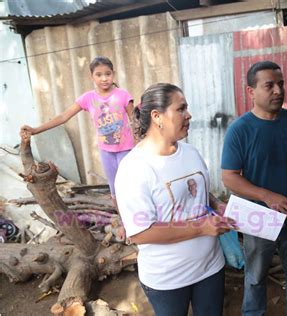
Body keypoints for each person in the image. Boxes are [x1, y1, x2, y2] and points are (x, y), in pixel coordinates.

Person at [115, 83, 235, 316]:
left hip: (210, 266)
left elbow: (198, 193)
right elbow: (140, 232)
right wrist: (200, 228)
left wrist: (218, 205)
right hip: (168, 278)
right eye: (181, 109)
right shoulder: (135, 168)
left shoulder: (190, 152)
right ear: (157, 116)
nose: (188, 115)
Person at [221, 61, 287, 316]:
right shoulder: (239, 130)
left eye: (281, 84)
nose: (278, 90)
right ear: (251, 91)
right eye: (269, 85)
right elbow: (230, 178)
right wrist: (267, 196)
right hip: (258, 217)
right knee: (255, 275)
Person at [20, 56, 134, 239]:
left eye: (108, 74)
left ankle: (139, 223)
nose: (104, 78)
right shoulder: (88, 98)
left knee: (130, 188)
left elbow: (135, 121)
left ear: (113, 74)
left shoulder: (123, 95)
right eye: (99, 75)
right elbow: (63, 117)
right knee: (115, 193)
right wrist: (36, 130)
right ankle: (127, 225)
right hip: (107, 152)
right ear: (92, 77)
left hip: (127, 149)